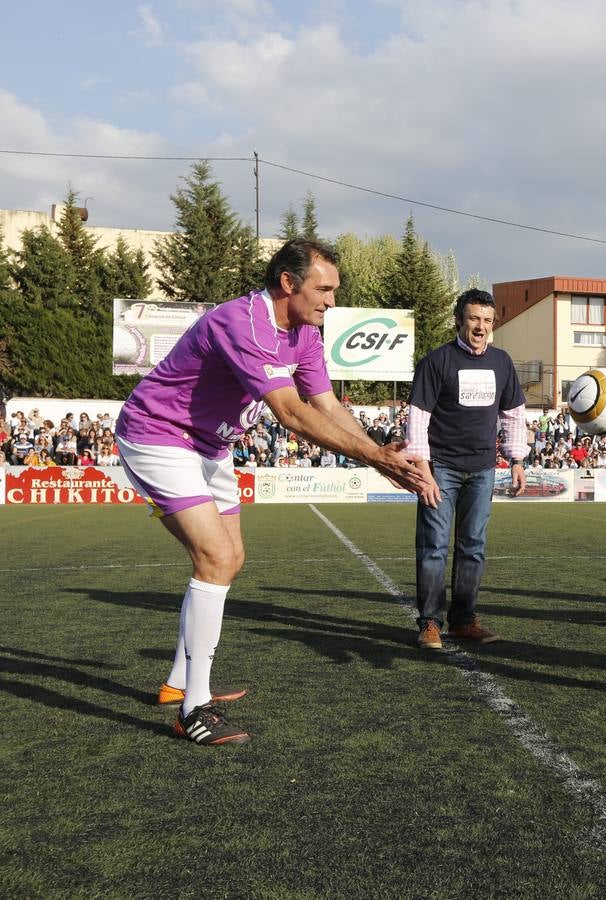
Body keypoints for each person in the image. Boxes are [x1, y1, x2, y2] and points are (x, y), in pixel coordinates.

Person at [114, 238, 429, 745]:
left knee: (231, 557)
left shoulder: (306, 333)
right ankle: (194, 707)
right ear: (288, 283)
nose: (331, 300)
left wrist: (379, 457)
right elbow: (291, 413)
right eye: (323, 289)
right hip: (157, 434)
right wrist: (376, 457)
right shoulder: (241, 321)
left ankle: (177, 683)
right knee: (214, 556)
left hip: (210, 447)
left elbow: (324, 403)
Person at [408, 288, 528, 650]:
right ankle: (430, 622)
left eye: (487, 321)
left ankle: (463, 620)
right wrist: (423, 470)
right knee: (434, 546)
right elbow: (417, 419)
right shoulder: (436, 361)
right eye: (474, 318)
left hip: (482, 469)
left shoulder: (502, 362)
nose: (481, 327)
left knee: (473, 546)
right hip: (440, 468)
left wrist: (517, 460)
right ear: (459, 320)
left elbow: (514, 414)